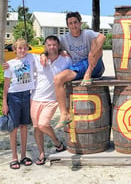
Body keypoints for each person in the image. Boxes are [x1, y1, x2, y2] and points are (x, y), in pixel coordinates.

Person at [42, 12, 106, 128]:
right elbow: (51, 46)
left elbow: (102, 37)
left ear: (80, 23)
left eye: (75, 22)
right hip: (79, 66)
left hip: (95, 65)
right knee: (58, 79)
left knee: (95, 42)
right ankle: (64, 114)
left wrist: (92, 53)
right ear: (67, 26)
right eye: (70, 23)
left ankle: (88, 74)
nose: (73, 25)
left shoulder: (87, 33)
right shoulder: (64, 39)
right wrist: (43, 54)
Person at [31, 35, 72, 165]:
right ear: (45, 46)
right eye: (49, 45)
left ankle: (56, 141)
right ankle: (41, 154)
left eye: (54, 45)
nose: (52, 47)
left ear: (58, 46)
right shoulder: (38, 59)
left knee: (43, 124)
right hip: (35, 98)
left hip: (52, 99)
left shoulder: (65, 60)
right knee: (37, 127)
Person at [2, 39, 36, 169]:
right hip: (13, 96)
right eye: (19, 48)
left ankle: (23, 155)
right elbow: (6, 85)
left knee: (24, 126)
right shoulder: (10, 64)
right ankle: (14, 157)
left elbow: (45, 53)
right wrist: (4, 103)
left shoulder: (31, 59)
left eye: (24, 48)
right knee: (13, 127)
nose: (22, 50)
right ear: (15, 50)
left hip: (26, 95)